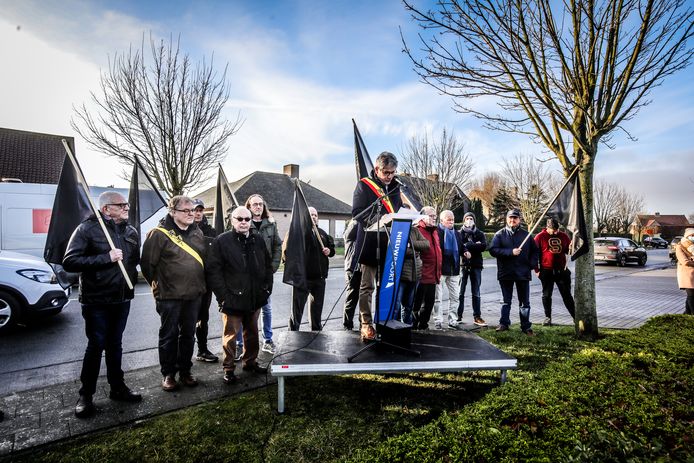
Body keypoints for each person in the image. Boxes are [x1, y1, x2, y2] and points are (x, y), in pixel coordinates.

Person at [63, 191, 142, 418]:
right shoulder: (87, 229)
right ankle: (86, 395)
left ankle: (118, 388)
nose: (127, 208)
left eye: (126, 204)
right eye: (122, 205)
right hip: (97, 299)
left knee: (115, 345)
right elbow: (70, 261)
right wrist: (105, 258)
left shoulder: (130, 231)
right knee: (96, 345)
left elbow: (133, 260)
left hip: (122, 297)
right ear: (106, 209)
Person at [141, 195, 207, 391]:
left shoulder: (197, 233)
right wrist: (161, 286)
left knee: (188, 335)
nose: (191, 214)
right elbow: (147, 266)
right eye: (185, 210)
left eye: (193, 210)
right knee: (169, 335)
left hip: (194, 295)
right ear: (172, 212)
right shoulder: (158, 234)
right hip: (169, 297)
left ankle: (185, 371)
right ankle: (168, 374)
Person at [206, 206, 273, 384]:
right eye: (239, 219)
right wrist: (223, 296)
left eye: (247, 219)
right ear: (232, 220)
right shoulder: (221, 241)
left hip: (255, 297)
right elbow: (214, 271)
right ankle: (228, 369)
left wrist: (266, 290)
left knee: (252, 333)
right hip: (232, 299)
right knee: (230, 336)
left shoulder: (257, 240)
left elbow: (267, 266)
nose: (243, 222)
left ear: (251, 220)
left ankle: (250, 362)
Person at [351, 151, 403, 340]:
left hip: (390, 242)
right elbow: (357, 213)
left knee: (386, 285)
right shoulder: (364, 186)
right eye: (386, 172)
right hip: (369, 242)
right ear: (377, 169)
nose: (390, 176)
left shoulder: (396, 187)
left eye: (392, 172)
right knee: (367, 286)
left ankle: (384, 320)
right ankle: (366, 323)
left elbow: (397, 210)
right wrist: (379, 219)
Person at [242, 194, 282, 355]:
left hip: (265, 275)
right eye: (255, 204)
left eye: (260, 204)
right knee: (243, 310)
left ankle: (267, 340)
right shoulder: (243, 223)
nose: (258, 207)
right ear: (249, 207)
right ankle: (240, 344)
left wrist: (272, 267)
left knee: (267, 308)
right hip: (246, 276)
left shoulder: (271, 225)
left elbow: (277, 246)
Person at [489, 208, 539, 336]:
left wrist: (532, 264)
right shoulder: (499, 235)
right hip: (506, 273)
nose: (512, 220)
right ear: (507, 219)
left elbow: (535, 251)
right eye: (510, 218)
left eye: (515, 218)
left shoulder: (526, 235)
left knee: (524, 302)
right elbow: (493, 250)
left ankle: (526, 326)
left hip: (523, 273)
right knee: (506, 301)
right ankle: (504, 323)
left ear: (519, 220)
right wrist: (510, 252)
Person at [287, 207, 335, 331]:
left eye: (315, 215)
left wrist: (329, 251)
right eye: (311, 215)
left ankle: (316, 332)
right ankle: (292, 334)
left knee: (317, 311)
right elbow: (287, 252)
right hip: (303, 279)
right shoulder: (298, 233)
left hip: (319, 279)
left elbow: (332, 250)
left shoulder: (323, 233)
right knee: (296, 311)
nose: (313, 217)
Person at [534, 218, 576, 325]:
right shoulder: (540, 237)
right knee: (547, 295)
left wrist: (571, 247)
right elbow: (534, 254)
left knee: (567, 295)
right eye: (553, 229)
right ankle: (547, 318)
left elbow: (567, 251)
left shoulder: (563, 236)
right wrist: (537, 270)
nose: (556, 232)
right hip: (546, 270)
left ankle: (576, 317)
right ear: (548, 227)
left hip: (562, 270)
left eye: (557, 229)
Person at [192, 199, 219, 362]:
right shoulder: (182, 231)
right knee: (186, 321)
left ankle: (202, 349)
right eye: (195, 210)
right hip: (187, 283)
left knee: (203, 318)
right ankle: (182, 358)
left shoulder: (211, 231)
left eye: (200, 210)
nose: (197, 213)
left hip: (205, 283)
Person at [412, 206, 442, 329]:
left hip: (433, 275)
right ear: (422, 216)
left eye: (435, 215)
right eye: (431, 215)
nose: (434, 217)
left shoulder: (434, 231)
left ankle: (423, 326)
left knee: (429, 304)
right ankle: (413, 327)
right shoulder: (417, 230)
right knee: (417, 304)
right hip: (421, 275)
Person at [458, 212, 487, 326]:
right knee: (460, 292)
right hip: (463, 265)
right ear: (464, 220)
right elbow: (459, 247)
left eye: (471, 218)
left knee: (476, 292)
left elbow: (484, 246)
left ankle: (477, 316)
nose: (469, 220)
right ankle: (458, 315)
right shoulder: (459, 233)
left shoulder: (480, 233)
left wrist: (468, 245)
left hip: (476, 266)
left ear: (474, 220)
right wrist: (474, 244)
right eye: (467, 218)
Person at [397, 222, 430, 324]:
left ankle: (407, 328)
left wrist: (411, 243)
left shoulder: (415, 230)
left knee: (409, 306)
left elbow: (426, 244)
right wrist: (416, 251)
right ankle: (396, 329)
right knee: (397, 305)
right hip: (402, 274)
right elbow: (399, 250)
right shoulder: (396, 230)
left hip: (415, 274)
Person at [434, 210, 461, 329]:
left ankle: (453, 320)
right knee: (438, 298)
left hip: (454, 270)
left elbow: (461, 246)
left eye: (453, 219)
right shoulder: (436, 232)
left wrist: (465, 252)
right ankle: (438, 320)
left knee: (455, 297)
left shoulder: (456, 233)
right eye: (448, 219)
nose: (451, 221)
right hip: (441, 270)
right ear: (441, 220)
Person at [341, 220, 362, 331]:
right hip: (352, 268)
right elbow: (355, 222)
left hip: (362, 268)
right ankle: (347, 324)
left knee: (362, 297)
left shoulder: (361, 237)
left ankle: (362, 324)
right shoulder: (349, 235)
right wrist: (358, 218)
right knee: (351, 297)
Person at [675, 228, 694, 315]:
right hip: (686, 275)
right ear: (687, 236)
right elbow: (685, 262)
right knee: (691, 296)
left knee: (691, 296)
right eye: (692, 236)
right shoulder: (680, 246)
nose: (693, 237)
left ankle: (686, 314)